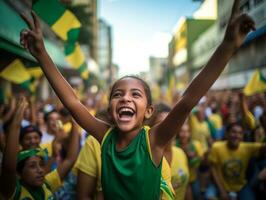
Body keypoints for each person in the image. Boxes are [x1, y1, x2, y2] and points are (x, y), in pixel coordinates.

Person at [19, 0, 255, 198]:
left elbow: (187, 101)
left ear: (148, 111)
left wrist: (226, 47)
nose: (125, 99)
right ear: (111, 109)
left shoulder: (154, 140)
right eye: (118, 95)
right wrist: (42, 54)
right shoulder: (105, 136)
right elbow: (72, 102)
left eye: (135, 94)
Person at [0, 97, 80, 199]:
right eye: (32, 166)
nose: (41, 170)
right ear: (19, 173)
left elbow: (70, 159)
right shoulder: (14, 191)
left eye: (42, 165)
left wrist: (74, 121)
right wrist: (16, 122)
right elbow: (8, 168)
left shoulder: (47, 184)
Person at [209, 122, 266, 200]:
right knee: (209, 196)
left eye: (240, 133)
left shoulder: (247, 148)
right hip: (221, 185)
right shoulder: (216, 147)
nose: (236, 135)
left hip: (241, 187)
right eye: (233, 132)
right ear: (227, 134)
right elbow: (213, 169)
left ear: (242, 136)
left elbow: (263, 147)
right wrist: (222, 190)